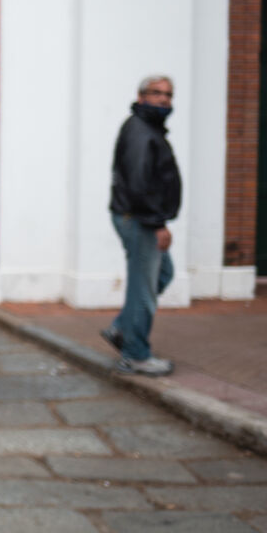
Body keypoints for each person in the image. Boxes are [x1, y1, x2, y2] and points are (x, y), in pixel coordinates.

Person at [103, 75, 181, 377]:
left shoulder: (147, 128)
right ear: (141, 96)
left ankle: (122, 328)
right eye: (156, 93)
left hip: (139, 217)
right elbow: (139, 183)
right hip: (139, 219)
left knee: (162, 273)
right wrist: (157, 223)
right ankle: (135, 355)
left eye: (168, 95)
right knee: (144, 288)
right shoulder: (140, 130)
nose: (164, 99)